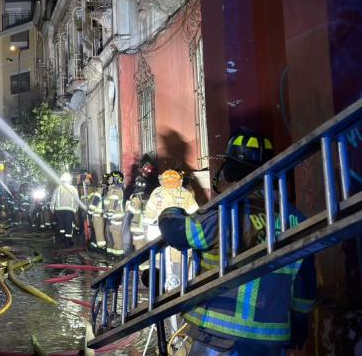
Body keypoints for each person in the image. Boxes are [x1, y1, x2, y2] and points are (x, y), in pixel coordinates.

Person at [158, 129, 316, 355]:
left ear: (230, 172)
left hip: (220, 337)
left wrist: (170, 211)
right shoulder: (297, 219)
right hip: (271, 339)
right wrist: (300, 320)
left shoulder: (226, 213)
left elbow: (178, 233)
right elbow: (304, 283)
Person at [51, 172, 82, 247]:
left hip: (59, 210)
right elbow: (77, 200)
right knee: (68, 225)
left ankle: (62, 240)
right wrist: (75, 209)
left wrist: (52, 208)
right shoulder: (73, 188)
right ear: (69, 180)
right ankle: (68, 241)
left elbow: (53, 199)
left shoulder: (58, 188)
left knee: (61, 226)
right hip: (69, 210)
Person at [103, 171, 127, 256]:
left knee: (116, 236)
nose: (109, 179)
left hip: (115, 217)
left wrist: (110, 212)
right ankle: (110, 252)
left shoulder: (116, 189)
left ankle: (118, 254)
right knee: (109, 235)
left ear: (116, 179)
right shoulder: (111, 188)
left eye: (111, 178)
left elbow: (114, 201)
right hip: (110, 216)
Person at [125, 174, 149, 252]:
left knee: (139, 247)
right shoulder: (147, 197)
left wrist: (129, 201)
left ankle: (142, 264)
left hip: (137, 228)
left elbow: (129, 210)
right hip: (145, 228)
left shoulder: (136, 198)